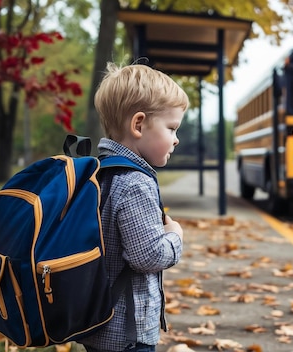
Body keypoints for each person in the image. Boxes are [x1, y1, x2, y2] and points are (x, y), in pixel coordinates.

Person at [79, 62, 189, 352]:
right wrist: (176, 236)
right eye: (171, 127)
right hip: (126, 332)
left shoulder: (100, 171)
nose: (176, 139)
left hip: (98, 321)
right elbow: (148, 255)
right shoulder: (134, 182)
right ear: (138, 124)